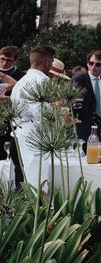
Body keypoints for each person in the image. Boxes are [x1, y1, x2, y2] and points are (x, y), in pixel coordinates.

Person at [11, 45, 56, 185]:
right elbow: (43, 116)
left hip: (17, 135)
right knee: (35, 183)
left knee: (22, 182)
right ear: (48, 62)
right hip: (32, 138)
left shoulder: (22, 81)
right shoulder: (40, 80)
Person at [72, 50, 101, 141]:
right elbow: (71, 103)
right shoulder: (78, 80)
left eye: (98, 64)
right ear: (87, 64)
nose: (93, 67)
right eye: (91, 63)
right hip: (85, 129)